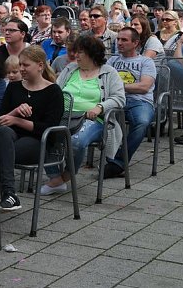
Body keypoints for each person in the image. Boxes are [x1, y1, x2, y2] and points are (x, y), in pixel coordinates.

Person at [0, 46, 63, 237]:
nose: (21, 68)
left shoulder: (53, 91)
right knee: (3, 136)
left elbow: (50, 131)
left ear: (39, 66)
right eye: (19, 64)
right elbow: (2, 119)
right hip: (9, 138)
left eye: (25, 65)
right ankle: (9, 194)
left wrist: (19, 120)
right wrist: (14, 114)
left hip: (38, 141)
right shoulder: (14, 87)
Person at [40, 35, 125, 195]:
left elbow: (120, 99)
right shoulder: (70, 69)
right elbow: (55, 91)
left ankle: (65, 176)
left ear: (92, 54)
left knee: (76, 141)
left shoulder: (109, 73)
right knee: (43, 133)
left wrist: (100, 107)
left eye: (80, 52)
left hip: (93, 119)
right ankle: (54, 177)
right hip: (63, 116)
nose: (75, 56)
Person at [103, 27, 157, 177]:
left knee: (142, 121)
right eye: (118, 39)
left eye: (124, 40)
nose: (119, 43)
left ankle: (118, 162)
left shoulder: (146, 62)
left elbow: (144, 87)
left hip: (139, 102)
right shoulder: (112, 60)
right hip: (114, 100)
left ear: (135, 43)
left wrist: (118, 87)